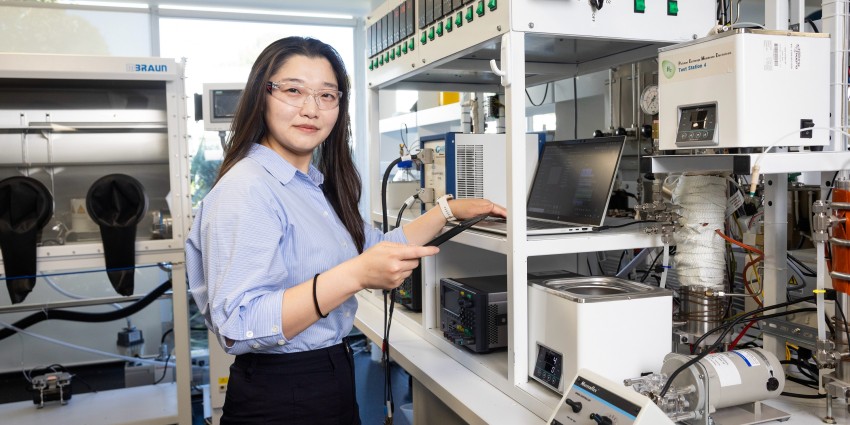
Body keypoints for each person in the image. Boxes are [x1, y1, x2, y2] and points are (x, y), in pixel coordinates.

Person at [186, 36, 505, 425]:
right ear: (262, 95)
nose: (310, 108)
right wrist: (355, 275)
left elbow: (370, 248)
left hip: (327, 373)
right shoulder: (247, 188)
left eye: (326, 96)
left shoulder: (308, 185)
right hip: (282, 394)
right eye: (293, 90)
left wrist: (447, 211)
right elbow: (239, 323)